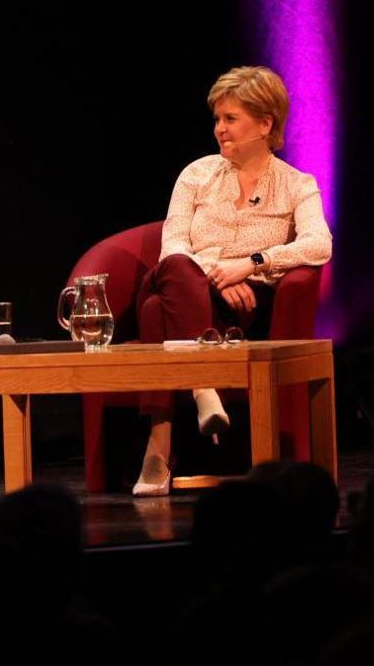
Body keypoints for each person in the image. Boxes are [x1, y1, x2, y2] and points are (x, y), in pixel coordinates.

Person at [132, 66, 332, 496]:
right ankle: (204, 387)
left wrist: (252, 264)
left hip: (241, 311)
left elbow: (320, 245)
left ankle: (159, 445)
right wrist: (219, 275)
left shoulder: (297, 185)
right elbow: (173, 246)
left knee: (154, 313)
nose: (219, 129)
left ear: (265, 124)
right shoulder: (197, 174)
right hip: (187, 284)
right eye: (217, 119)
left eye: (230, 118)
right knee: (177, 269)